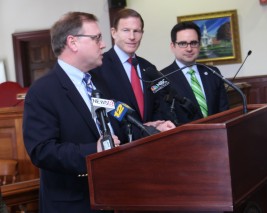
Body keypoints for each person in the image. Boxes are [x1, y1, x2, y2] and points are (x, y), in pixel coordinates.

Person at [23, 12, 120, 213]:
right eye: (97, 38)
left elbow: (114, 125)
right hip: (73, 204)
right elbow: (42, 151)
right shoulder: (43, 91)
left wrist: (146, 128)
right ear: (73, 42)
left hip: (112, 197)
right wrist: (94, 150)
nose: (103, 44)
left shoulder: (100, 82)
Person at [90, 8, 175, 143]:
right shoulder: (98, 67)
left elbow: (158, 103)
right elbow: (105, 112)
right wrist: (141, 129)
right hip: (122, 146)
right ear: (113, 32)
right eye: (126, 30)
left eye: (136, 31)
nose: (132, 37)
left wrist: (158, 125)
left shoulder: (148, 67)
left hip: (153, 142)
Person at [160, 21, 229, 125]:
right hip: (183, 139)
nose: (189, 49)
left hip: (216, 136)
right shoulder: (162, 78)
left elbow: (224, 111)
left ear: (199, 45)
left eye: (193, 43)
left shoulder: (212, 73)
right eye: (183, 43)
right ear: (173, 46)